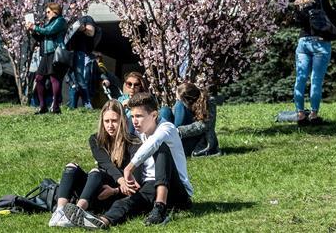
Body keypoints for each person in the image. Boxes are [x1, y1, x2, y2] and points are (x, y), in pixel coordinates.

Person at [77, 93, 193, 228]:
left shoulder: (166, 128)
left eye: (139, 116)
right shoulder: (139, 132)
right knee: (128, 202)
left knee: (161, 148)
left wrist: (129, 168)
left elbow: (153, 143)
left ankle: (160, 207)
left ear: (154, 115)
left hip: (176, 188)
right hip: (150, 185)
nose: (134, 121)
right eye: (132, 116)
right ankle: (103, 221)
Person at [50, 100, 143, 227]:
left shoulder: (134, 142)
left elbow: (135, 182)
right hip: (95, 185)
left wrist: (116, 189)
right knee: (71, 167)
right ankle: (59, 211)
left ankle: (77, 213)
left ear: (122, 120)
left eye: (114, 121)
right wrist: (121, 179)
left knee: (95, 172)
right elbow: (105, 163)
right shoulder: (95, 139)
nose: (110, 125)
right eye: (107, 121)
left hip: (112, 191)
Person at [292, 0, 336, 126]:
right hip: (320, 43)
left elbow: (298, 23)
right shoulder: (323, 0)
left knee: (301, 78)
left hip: (303, 43)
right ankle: (313, 114)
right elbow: (332, 19)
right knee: (316, 80)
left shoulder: (299, 3)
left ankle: (300, 114)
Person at [26, 2, 69, 115]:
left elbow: (49, 31)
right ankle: (42, 106)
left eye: (48, 12)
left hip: (55, 52)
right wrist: (33, 30)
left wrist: (36, 27)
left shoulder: (60, 21)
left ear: (55, 11)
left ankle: (55, 106)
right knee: (39, 78)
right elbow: (41, 37)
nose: (46, 14)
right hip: (46, 54)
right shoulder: (48, 23)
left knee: (54, 78)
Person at [173, 82, 220, 156]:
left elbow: (203, 125)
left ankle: (171, 142)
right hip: (181, 137)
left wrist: (177, 131)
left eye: (179, 99)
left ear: (187, 100)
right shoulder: (184, 106)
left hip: (196, 141)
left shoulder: (209, 102)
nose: (177, 101)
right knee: (165, 110)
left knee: (179, 105)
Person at [67, 15, 102, 109]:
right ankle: (71, 107)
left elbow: (91, 32)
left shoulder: (86, 19)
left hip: (79, 52)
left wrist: (82, 29)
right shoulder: (67, 20)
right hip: (68, 51)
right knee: (73, 78)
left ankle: (87, 102)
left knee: (79, 76)